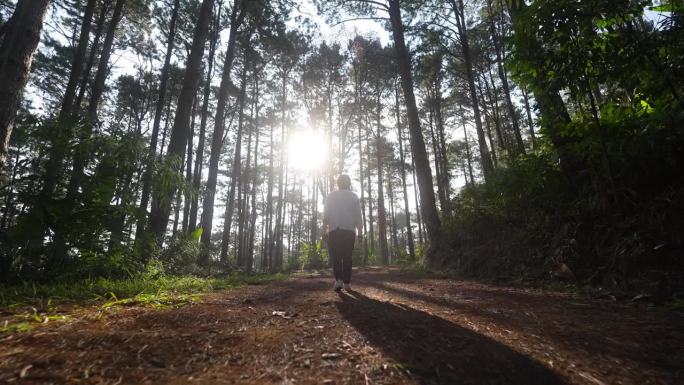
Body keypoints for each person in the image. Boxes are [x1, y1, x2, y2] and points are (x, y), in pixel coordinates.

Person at [323, 174, 363, 292]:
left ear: (338, 183)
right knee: (347, 257)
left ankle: (338, 281)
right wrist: (360, 232)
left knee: (335, 257)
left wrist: (324, 230)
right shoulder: (354, 196)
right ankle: (346, 283)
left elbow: (326, 215)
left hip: (334, 230)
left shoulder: (330, 196)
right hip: (349, 231)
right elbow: (358, 216)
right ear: (349, 183)